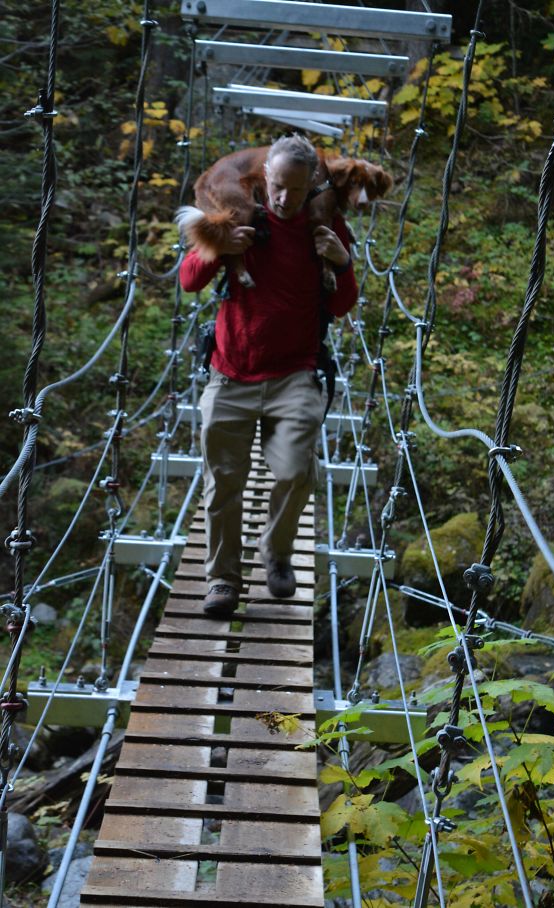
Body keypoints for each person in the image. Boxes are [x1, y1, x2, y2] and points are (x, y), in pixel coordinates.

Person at [179, 134, 358, 617]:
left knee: (297, 471)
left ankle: (276, 552)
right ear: (263, 181)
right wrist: (216, 247)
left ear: (311, 187)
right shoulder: (240, 218)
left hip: (294, 374)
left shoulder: (325, 225)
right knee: (223, 483)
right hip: (231, 374)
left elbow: (341, 305)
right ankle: (222, 580)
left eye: (295, 191)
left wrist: (342, 263)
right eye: (277, 187)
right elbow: (189, 280)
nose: (283, 199)